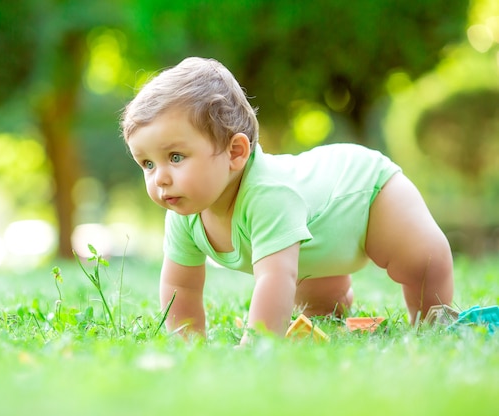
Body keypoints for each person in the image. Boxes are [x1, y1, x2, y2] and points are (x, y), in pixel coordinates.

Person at [120, 57, 454, 344]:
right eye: (147, 163)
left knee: (422, 262)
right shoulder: (184, 213)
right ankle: (330, 305)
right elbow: (181, 284)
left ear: (235, 153)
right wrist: (187, 344)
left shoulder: (267, 195)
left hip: (366, 193)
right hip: (319, 239)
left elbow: (274, 279)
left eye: (175, 157)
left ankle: (433, 323)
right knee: (316, 306)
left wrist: (258, 344)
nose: (159, 177)